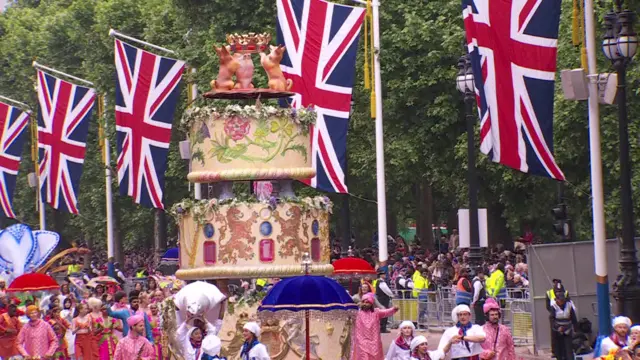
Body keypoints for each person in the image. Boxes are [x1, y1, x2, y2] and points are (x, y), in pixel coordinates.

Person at [350, 292, 398, 360]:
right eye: (363, 302)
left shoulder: (376, 312)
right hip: (361, 341)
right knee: (364, 357)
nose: (365, 304)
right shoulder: (357, 313)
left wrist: (394, 309)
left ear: (371, 303)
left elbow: (386, 312)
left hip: (374, 341)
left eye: (367, 302)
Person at [548, 291, 577, 360]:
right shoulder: (554, 307)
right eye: (560, 300)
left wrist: (575, 329)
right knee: (559, 350)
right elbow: (552, 319)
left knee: (568, 350)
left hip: (568, 330)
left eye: (563, 300)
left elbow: (573, 318)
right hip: (557, 331)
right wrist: (558, 327)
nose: (562, 302)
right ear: (556, 300)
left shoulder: (569, 306)